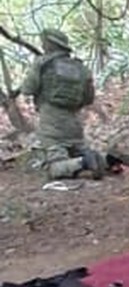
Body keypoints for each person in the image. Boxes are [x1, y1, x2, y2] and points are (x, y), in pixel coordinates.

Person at [19, 29, 102, 178]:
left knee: (52, 166)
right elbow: (89, 98)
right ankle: (102, 160)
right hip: (75, 122)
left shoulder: (42, 64)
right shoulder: (81, 68)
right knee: (77, 148)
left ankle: (84, 163)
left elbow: (27, 89)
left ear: (50, 44)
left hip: (51, 121)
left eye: (44, 42)